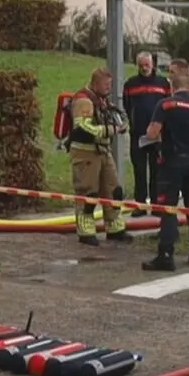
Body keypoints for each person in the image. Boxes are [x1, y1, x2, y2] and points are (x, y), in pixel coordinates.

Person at [142, 59, 189, 271]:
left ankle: (166, 254)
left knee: (168, 207)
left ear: (172, 80)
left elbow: (152, 133)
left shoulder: (166, 104)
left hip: (172, 161)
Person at [67, 67, 125, 246]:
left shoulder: (102, 101)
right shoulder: (84, 101)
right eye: (105, 84)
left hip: (102, 151)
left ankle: (115, 228)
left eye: (110, 84)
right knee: (88, 192)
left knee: (113, 189)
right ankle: (86, 231)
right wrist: (111, 130)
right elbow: (84, 127)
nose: (109, 88)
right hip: (85, 152)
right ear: (95, 83)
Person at [121, 52, 171, 207]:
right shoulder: (130, 84)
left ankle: (156, 204)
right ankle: (140, 204)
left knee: (157, 171)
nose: (144, 68)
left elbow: (168, 105)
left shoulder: (163, 83)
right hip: (138, 134)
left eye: (146, 65)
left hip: (158, 135)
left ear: (152, 64)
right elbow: (127, 105)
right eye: (141, 65)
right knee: (139, 171)